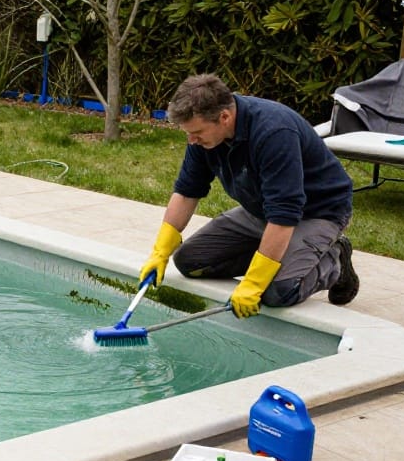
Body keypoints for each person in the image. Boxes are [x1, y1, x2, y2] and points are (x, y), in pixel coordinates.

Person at [139, 74, 359, 318]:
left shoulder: (274, 132)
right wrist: (160, 252)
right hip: (262, 210)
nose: (191, 140)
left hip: (318, 212)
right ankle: (279, 253)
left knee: (277, 291)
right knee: (190, 262)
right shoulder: (203, 140)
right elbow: (187, 191)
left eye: (197, 132)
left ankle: (334, 259)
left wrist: (254, 282)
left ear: (224, 117)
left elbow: (284, 214)